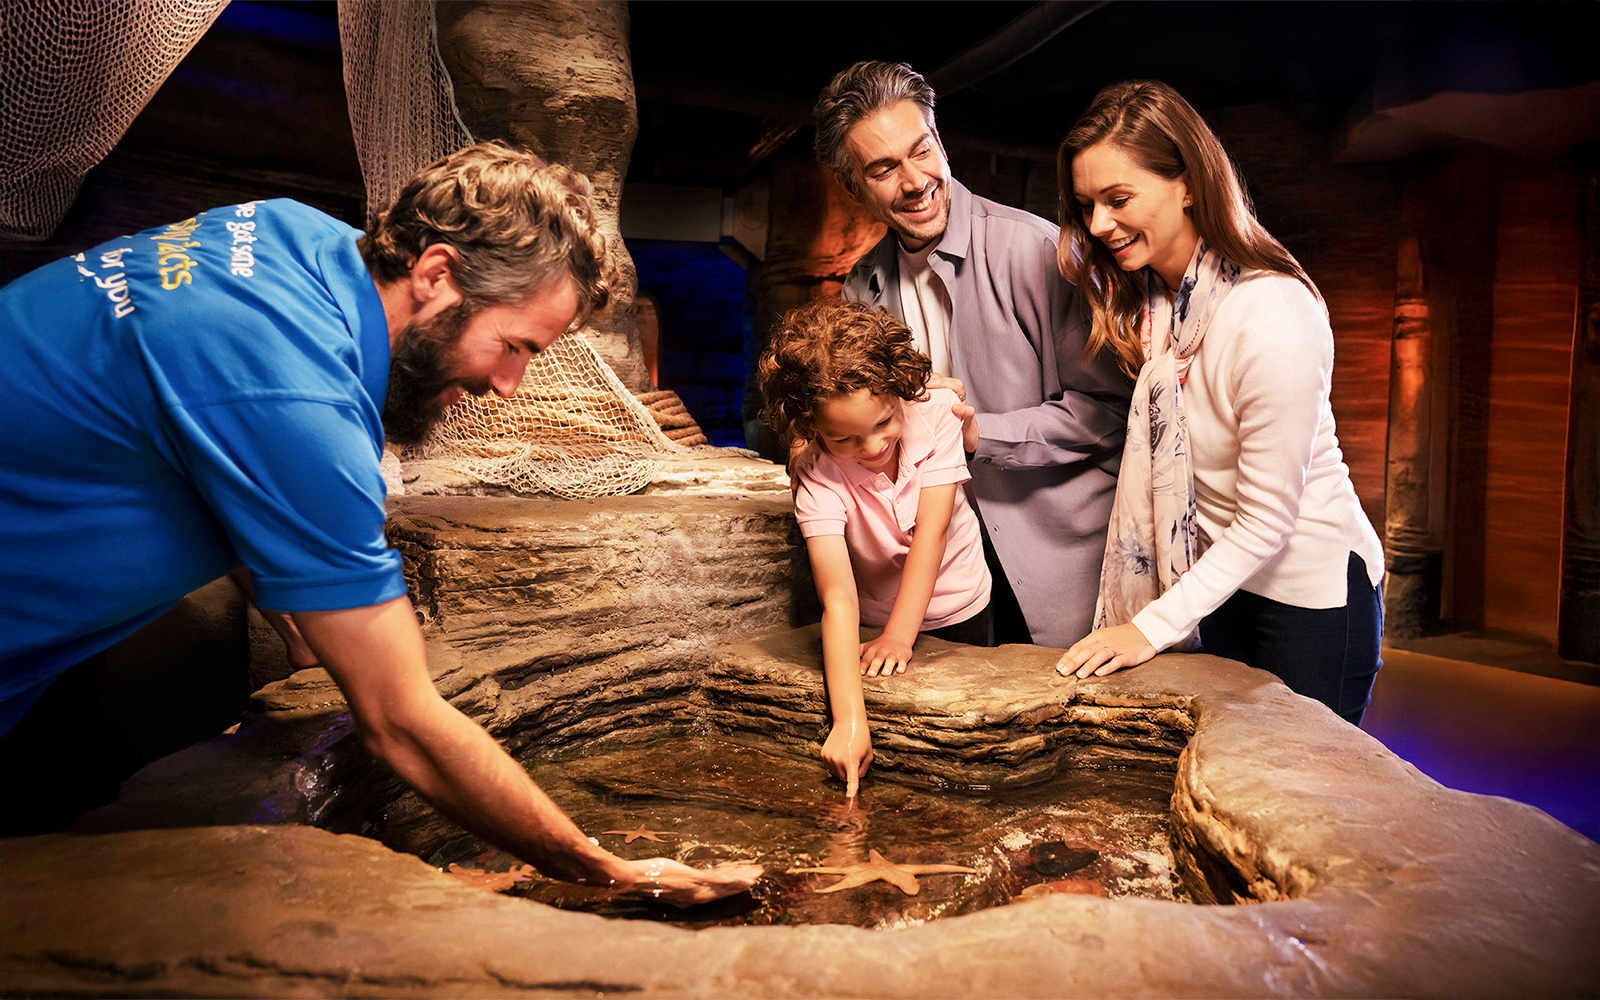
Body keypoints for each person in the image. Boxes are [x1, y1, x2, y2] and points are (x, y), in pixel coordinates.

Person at [0, 141, 759, 903]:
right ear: (434, 275)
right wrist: (612, 870)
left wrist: (310, 631)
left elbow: (209, 451)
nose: (508, 386)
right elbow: (400, 722)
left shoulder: (288, 235)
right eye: (514, 346)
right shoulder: (296, 399)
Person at [1053, 81, 1385, 726]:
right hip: (1223, 586)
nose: (1098, 225)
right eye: (1088, 204)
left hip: (1310, 600)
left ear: (1188, 183)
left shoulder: (1271, 313)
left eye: (1119, 199)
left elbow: (1266, 521)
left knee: (1297, 805)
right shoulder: (1157, 307)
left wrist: (1146, 629)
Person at [814, 60, 1132, 649]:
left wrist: (982, 434)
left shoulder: (1040, 251)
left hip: (1057, 567)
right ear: (853, 185)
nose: (915, 181)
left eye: (922, 149)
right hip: (939, 579)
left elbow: (1112, 412)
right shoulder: (860, 287)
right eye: (884, 168)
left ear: (940, 140)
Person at [759, 297, 992, 794]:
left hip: (962, 602)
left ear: (899, 394)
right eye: (844, 439)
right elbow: (837, 596)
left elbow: (932, 533)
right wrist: (847, 721)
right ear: (808, 428)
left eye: (884, 423)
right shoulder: (815, 471)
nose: (871, 448)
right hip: (872, 612)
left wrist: (900, 638)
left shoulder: (938, 417)